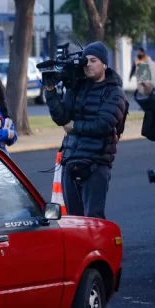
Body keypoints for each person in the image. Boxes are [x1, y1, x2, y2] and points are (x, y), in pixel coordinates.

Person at [44, 41, 127, 219]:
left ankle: (99, 248)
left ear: (105, 63)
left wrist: (74, 126)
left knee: (94, 218)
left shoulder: (115, 92)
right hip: (70, 160)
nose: (88, 64)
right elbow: (61, 118)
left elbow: (103, 125)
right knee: (75, 220)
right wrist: (50, 91)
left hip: (96, 163)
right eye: (85, 60)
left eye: (93, 60)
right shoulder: (76, 88)